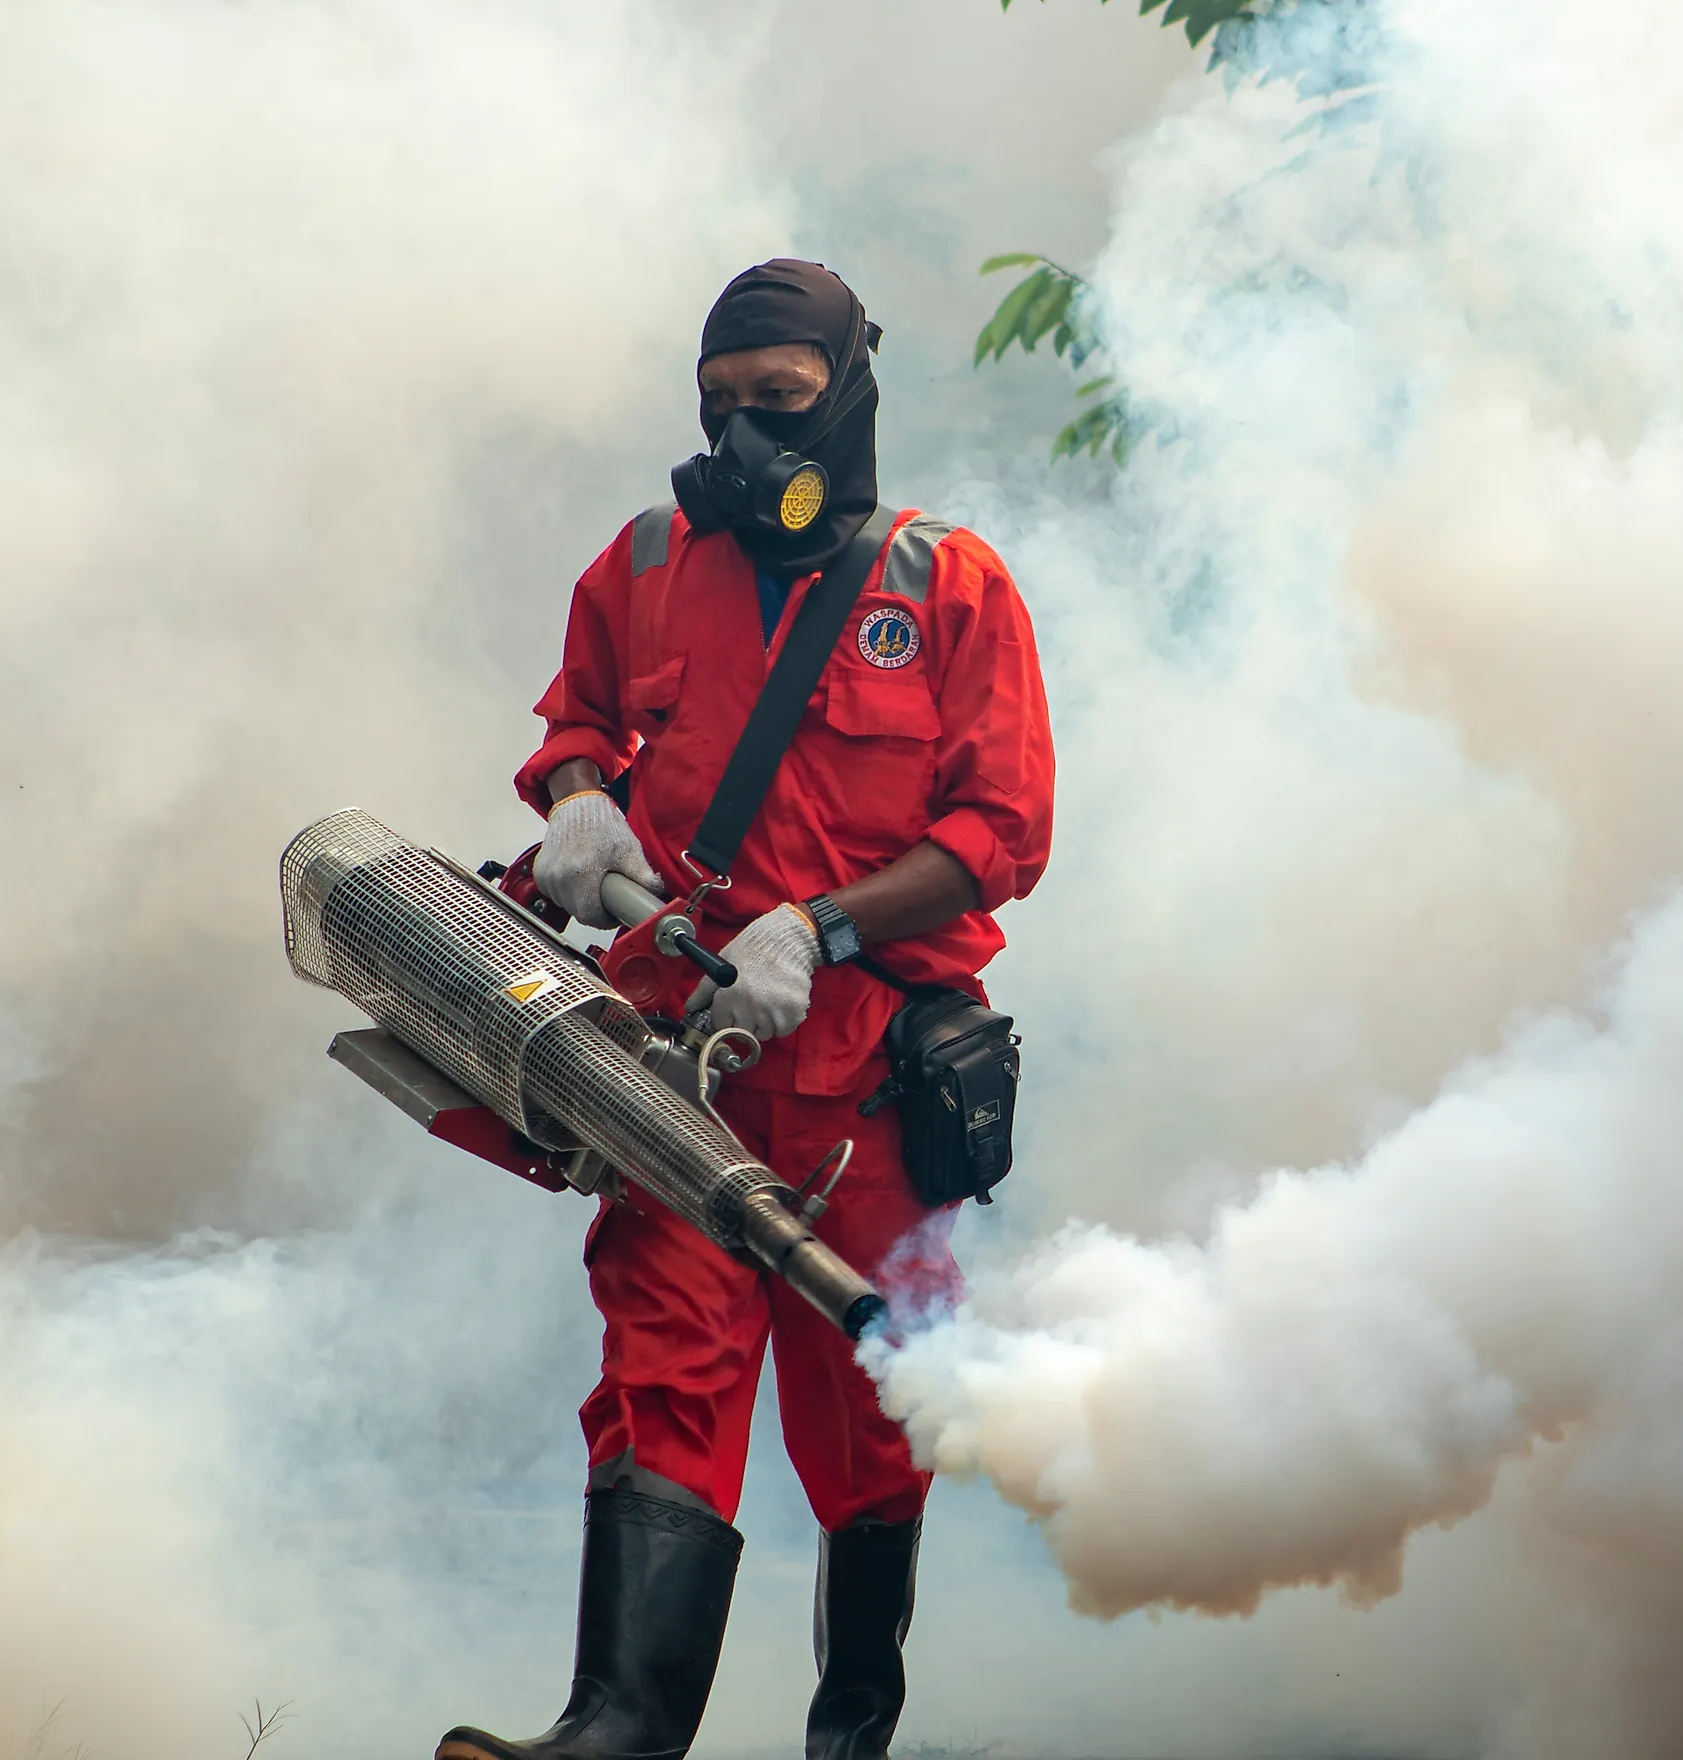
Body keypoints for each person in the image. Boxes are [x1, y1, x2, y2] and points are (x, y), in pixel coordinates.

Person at [437, 260, 1056, 1760]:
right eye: (719, 406)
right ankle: (615, 1737)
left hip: (871, 1086)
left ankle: (851, 1735)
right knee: (662, 1377)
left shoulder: (946, 586)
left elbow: (1002, 832)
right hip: (678, 1071)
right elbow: (575, 725)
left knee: (868, 1418)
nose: (745, 437)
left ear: (847, 392)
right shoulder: (645, 561)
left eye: (777, 403)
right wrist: (580, 805)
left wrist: (823, 926)